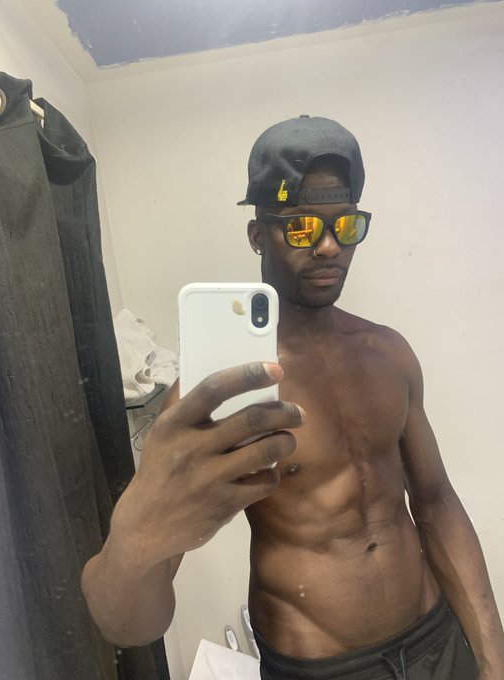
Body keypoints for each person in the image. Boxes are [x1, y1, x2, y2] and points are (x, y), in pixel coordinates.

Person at [82, 116, 504, 679]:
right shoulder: (221, 391)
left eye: (345, 225)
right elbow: (127, 627)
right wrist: (135, 538)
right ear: (258, 235)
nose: (329, 247)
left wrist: (492, 655)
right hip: (320, 668)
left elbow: (436, 503)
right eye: (302, 227)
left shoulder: (389, 353)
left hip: (437, 641)